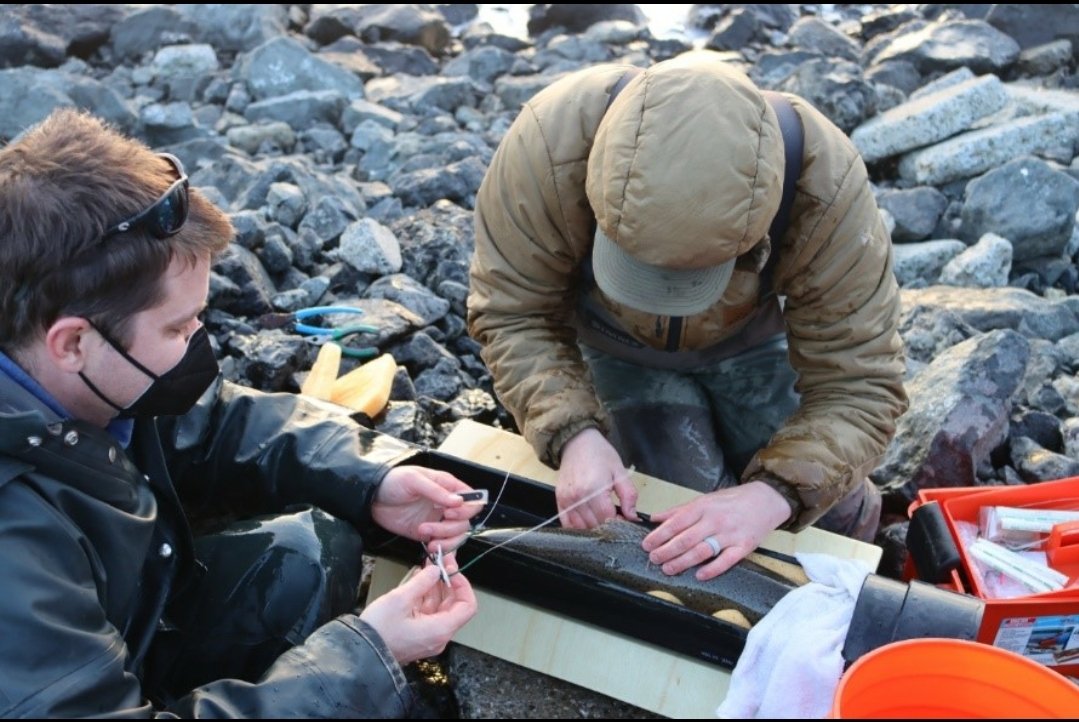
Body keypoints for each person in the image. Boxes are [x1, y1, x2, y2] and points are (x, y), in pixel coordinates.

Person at [0, 108, 479, 718]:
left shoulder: (82, 372)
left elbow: (213, 422)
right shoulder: (14, 542)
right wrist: (368, 658)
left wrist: (374, 477)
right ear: (72, 343)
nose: (199, 341)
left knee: (307, 552)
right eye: (178, 327)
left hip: (120, 629)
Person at [468, 50, 908, 583]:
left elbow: (860, 384)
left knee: (835, 519)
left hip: (749, 342)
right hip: (611, 345)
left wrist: (773, 496)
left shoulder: (825, 186)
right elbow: (513, 313)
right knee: (671, 529)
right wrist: (573, 433)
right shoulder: (546, 145)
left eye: (689, 279)